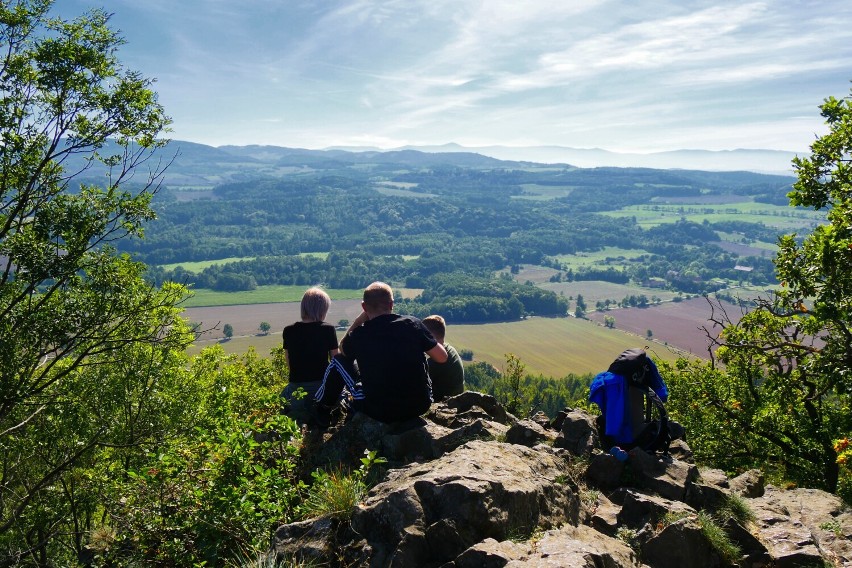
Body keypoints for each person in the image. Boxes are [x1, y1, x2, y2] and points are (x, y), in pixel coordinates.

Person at [315, 281, 447, 424]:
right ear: (391, 304)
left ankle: (323, 407)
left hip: (378, 410)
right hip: (419, 405)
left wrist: (359, 321)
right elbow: (442, 357)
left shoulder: (359, 334)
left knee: (337, 361)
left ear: (364, 307)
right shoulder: (413, 324)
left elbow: (342, 349)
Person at [281, 287, 339, 426]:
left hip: (296, 388)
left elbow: (288, 361)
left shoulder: (289, 331)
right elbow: (335, 362)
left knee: (284, 399)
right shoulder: (328, 329)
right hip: (320, 388)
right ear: (322, 309)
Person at [422, 314, 465, 401]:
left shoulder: (436, 361)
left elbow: (417, 384)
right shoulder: (448, 349)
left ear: (430, 336)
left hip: (446, 404)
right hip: (455, 400)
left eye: (422, 335)